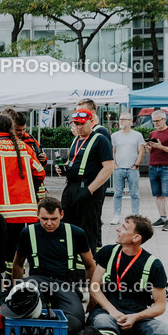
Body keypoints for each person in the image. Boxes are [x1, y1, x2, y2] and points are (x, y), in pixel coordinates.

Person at [11, 196, 98, 334]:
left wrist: (93, 296)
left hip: (65, 284)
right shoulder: (28, 232)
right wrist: (15, 290)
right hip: (37, 280)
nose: (49, 223)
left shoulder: (76, 233)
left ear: (61, 215)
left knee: (76, 323)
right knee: (16, 308)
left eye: (54, 219)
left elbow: (90, 266)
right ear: (37, 214)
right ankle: (45, 320)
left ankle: (39, 323)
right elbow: (18, 264)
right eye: (44, 219)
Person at [0, 113, 46, 260]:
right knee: (17, 250)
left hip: (0, 210)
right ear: (11, 129)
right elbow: (40, 173)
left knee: (0, 248)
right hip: (25, 210)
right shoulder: (24, 146)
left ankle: (2, 280)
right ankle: (16, 279)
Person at [60, 109, 115, 255]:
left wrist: (89, 190)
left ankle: (88, 267)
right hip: (71, 187)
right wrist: (64, 168)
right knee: (67, 225)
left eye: (82, 124)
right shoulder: (76, 140)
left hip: (88, 189)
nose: (79, 127)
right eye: (76, 124)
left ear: (92, 122)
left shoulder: (100, 140)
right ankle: (70, 259)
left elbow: (109, 168)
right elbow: (73, 161)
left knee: (88, 230)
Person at [146, 109, 168, 231]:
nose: (156, 123)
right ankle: (162, 217)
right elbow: (152, 152)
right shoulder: (152, 134)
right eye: (153, 121)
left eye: (157, 121)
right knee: (158, 195)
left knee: (167, 194)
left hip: (166, 166)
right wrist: (149, 147)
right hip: (153, 165)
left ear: (164, 119)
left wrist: (160, 146)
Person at [110, 113, 145, 224]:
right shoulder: (115, 135)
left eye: (124, 119)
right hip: (118, 168)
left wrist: (136, 165)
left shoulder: (137, 135)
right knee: (117, 193)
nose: (121, 121)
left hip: (132, 168)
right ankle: (116, 215)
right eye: (120, 119)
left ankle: (135, 215)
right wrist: (115, 165)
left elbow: (141, 152)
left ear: (130, 121)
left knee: (134, 193)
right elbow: (113, 151)